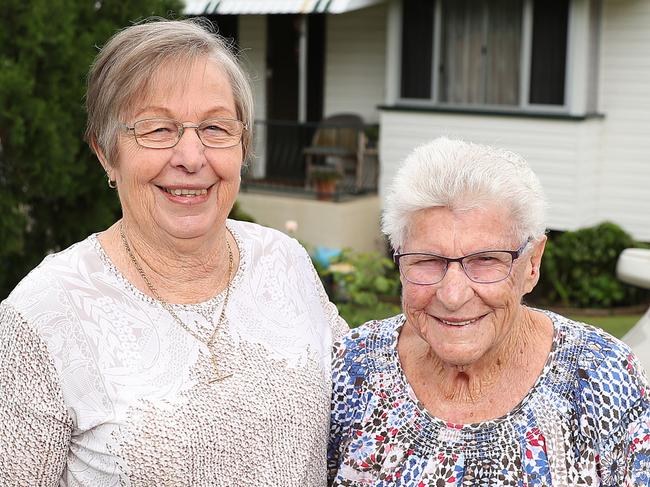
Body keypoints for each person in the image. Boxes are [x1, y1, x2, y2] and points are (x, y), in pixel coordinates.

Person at [0, 18, 347, 486]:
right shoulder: (44, 316)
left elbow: (359, 412)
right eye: (158, 128)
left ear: (242, 144)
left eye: (215, 127)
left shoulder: (283, 259)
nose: (191, 155)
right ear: (105, 152)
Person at [328, 137, 650, 485]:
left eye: (485, 260)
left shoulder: (602, 376)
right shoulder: (353, 369)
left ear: (532, 264)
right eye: (428, 261)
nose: (452, 295)